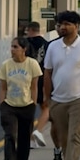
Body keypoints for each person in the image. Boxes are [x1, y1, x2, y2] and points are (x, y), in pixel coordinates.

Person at [43, 10, 80, 160]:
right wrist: (48, 99)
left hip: (79, 99)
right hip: (58, 100)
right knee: (64, 138)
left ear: (76, 26)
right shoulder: (53, 47)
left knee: (74, 136)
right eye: (60, 24)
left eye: (67, 24)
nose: (62, 27)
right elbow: (47, 73)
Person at [0, 36, 42, 160]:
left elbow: (34, 87)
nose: (12, 49)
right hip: (9, 106)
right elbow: (3, 87)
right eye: (12, 46)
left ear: (24, 49)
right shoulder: (6, 65)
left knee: (24, 139)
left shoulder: (32, 64)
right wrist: (2, 105)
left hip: (27, 106)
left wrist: (33, 104)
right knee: (10, 135)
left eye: (15, 47)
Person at [24, 21, 50, 149]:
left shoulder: (24, 44)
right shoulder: (47, 45)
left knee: (28, 110)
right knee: (46, 107)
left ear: (30, 30)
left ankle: (29, 139)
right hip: (42, 78)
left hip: (26, 78)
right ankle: (38, 131)